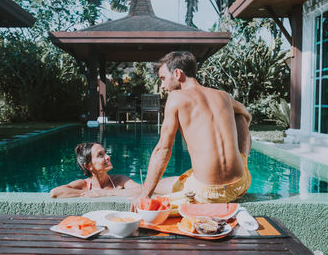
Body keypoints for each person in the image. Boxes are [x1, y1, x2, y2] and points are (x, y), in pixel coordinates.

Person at [131, 51, 252, 209]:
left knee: (165, 186)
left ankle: (126, 191)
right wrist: (240, 153)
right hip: (240, 183)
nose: (162, 85)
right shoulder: (223, 96)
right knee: (239, 116)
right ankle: (241, 162)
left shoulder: (176, 98)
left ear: (177, 73)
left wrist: (145, 196)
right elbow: (246, 115)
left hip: (207, 193)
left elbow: (163, 150)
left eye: (163, 78)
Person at [50, 142, 141, 198]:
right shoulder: (84, 184)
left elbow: (142, 190)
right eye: (100, 155)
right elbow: (55, 192)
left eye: (105, 153)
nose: (108, 157)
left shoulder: (120, 180)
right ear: (89, 166)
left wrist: (107, 193)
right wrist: (90, 193)